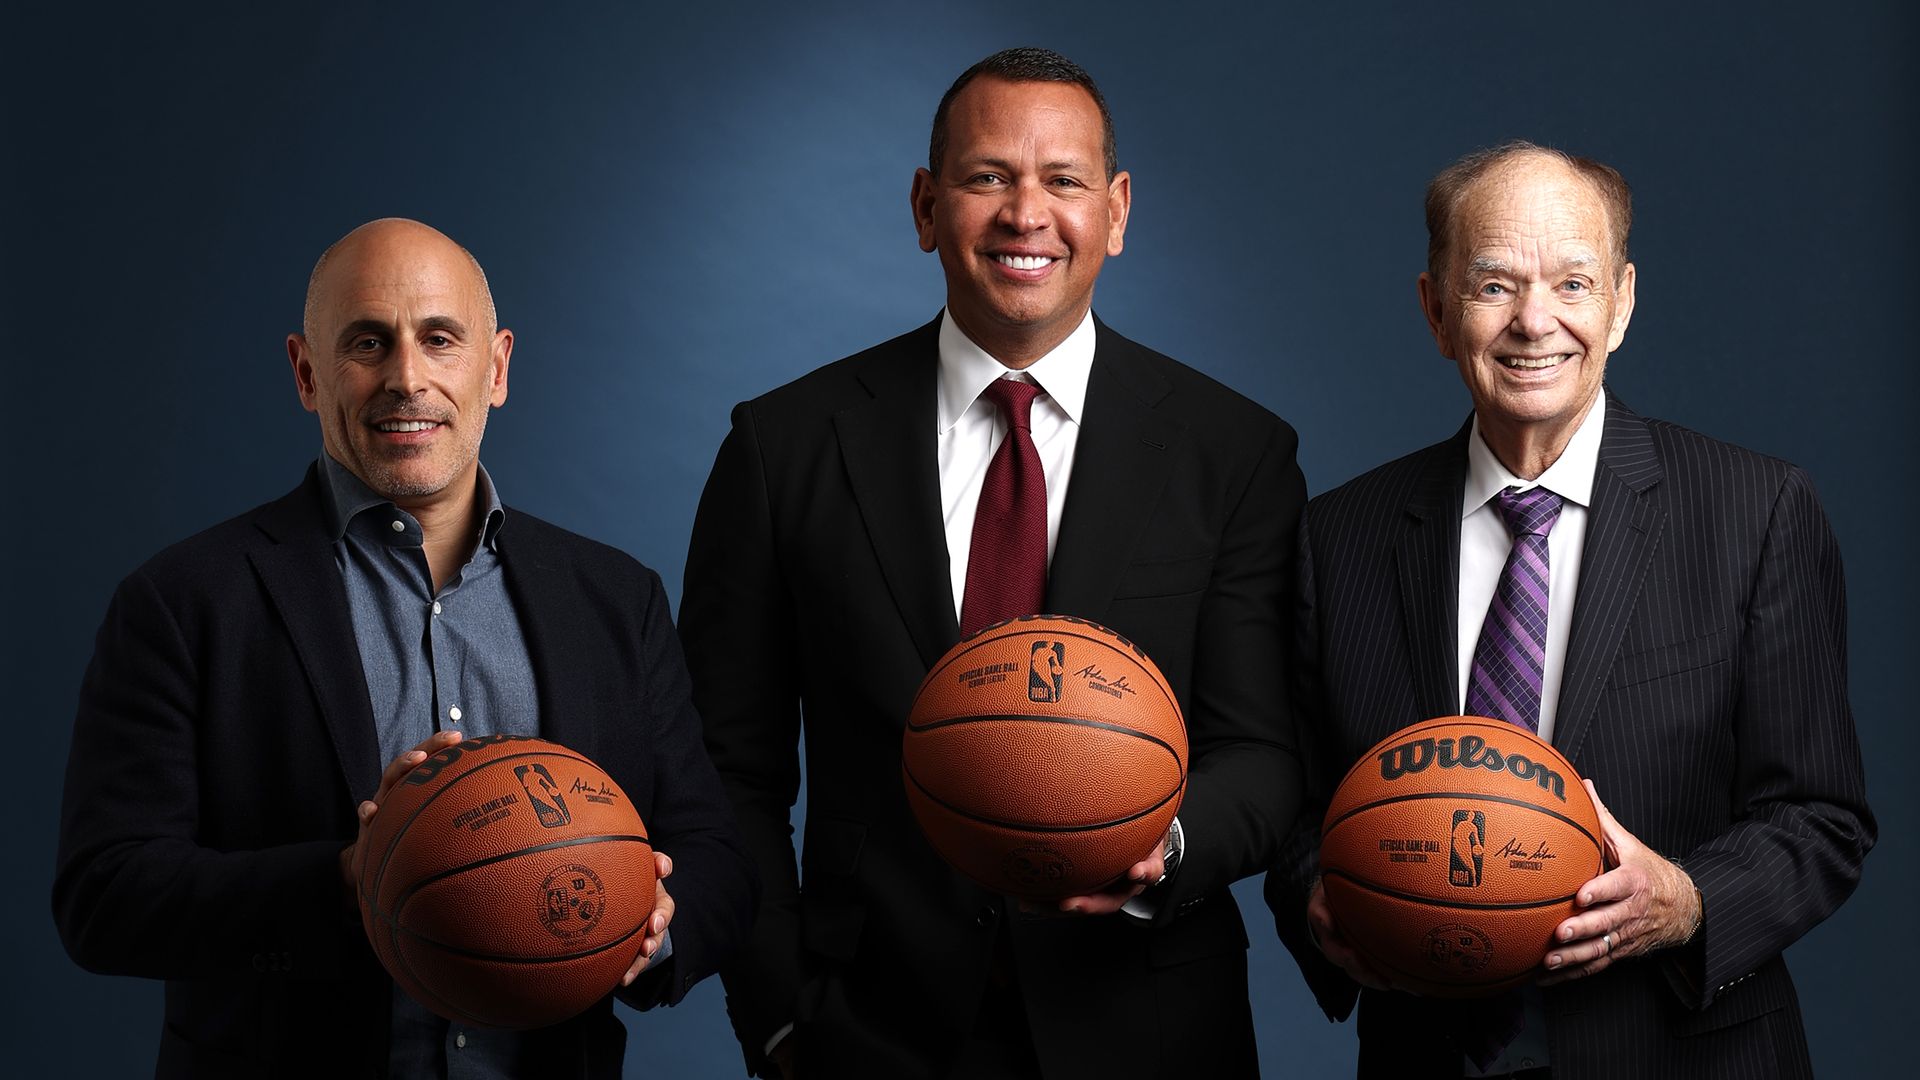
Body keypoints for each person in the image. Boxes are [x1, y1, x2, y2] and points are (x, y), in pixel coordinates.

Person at [680, 46, 1306, 1080]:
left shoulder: (1234, 453)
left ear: (1115, 211)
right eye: (987, 177)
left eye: (1063, 180)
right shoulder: (783, 447)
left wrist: (1163, 846)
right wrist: (782, 1015)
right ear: (927, 207)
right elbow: (724, 768)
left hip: (1150, 1032)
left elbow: (1265, 753)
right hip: (868, 1036)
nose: (1026, 215)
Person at [52, 218, 756, 1079]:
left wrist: (650, 924)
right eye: (367, 343)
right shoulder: (183, 600)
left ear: (496, 368)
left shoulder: (615, 596)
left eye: (439, 339)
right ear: (307, 374)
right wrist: (351, 878)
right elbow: (103, 896)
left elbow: (716, 857)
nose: (407, 378)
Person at [1266, 143, 1875, 1079]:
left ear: (1621, 303)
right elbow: (1298, 809)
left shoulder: (1755, 513)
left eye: (1573, 283)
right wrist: (1322, 896)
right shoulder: (1339, 537)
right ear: (1436, 310)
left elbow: (1822, 816)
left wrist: (1688, 899)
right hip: (1427, 1053)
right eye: (1493, 286)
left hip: (1682, 1056)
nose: (1533, 321)